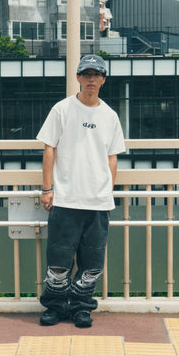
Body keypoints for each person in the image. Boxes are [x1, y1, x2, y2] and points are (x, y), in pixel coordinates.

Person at [36, 55, 125, 328]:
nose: (91, 79)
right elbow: (49, 148)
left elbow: (113, 156)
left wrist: (107, 189)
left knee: (92, 262)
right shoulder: (62, 109)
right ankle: (55, 306)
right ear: (77, 77)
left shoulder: (110, 116)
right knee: (58, 261)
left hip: (98, 201)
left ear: (103, 80)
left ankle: (82, 308)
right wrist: (47, 188)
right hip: (66, 198)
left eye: (96, 74)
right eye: (86, 74)